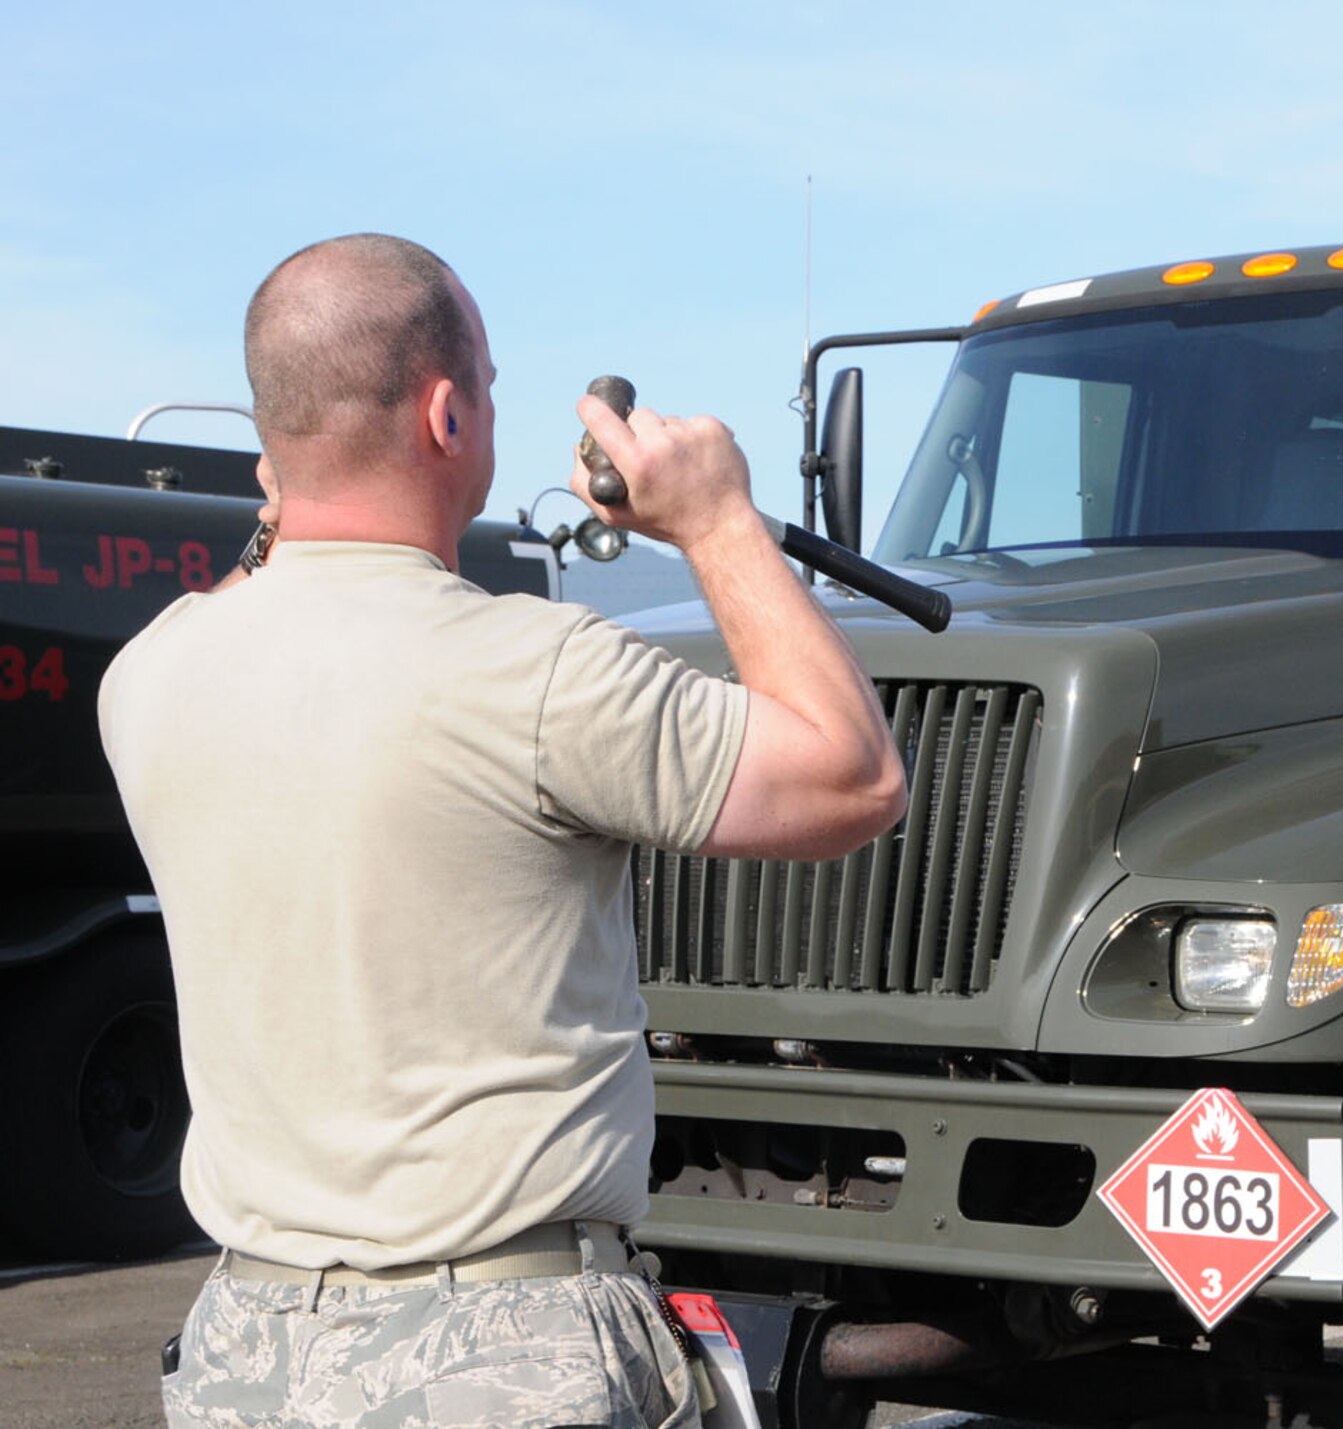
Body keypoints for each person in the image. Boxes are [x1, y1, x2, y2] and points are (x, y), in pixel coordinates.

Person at [98, 233, 906, 1428]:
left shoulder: (149, 676)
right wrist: (717, 519)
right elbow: (852, 779)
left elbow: (276, 612)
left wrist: (288, 500)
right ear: (444, 417)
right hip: (501, 1354)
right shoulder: (537, 673)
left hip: (243, 1358)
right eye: (483, 386)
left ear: (277, 440)